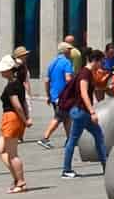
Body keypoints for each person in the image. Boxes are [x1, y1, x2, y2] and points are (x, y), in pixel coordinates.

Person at [59, 48, 108, 178]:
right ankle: (66, 170)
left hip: (81, 111)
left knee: (98, 135)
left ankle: (105, 165)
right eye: (101, 62)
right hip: (81, 111)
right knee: (73, 140)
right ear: (95, 61)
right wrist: (92, 112)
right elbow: (84, 93)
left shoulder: (87, 72)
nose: (102, 65)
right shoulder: (85, 73)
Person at [0, 57, 30, 194]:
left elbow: (17, 105)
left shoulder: (12, 85)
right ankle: (16, 178)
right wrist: (26, 118)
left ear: (9, 70)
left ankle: (20, 181)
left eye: (3, 69)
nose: (1, 72)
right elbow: (24, 102)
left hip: (11, 118)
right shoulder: (17, 83)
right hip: (11, 118)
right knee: (0, 150)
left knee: (12, 154)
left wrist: (25, 119)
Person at [37, 40, 75, 148]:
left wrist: (48, 95)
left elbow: (46, 81)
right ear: (65, 51)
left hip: (54, 96)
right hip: (64, 95)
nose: (71, 52)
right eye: (70, 50)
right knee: (59, 117)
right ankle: (45, 138)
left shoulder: (52, 63)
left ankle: (70, 140)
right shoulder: (67, 62)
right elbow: (68, 79)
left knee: (66, 117)